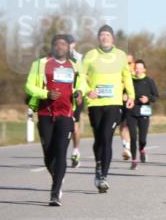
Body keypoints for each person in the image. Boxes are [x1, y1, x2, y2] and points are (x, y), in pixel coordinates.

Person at [25, 34, 86, 205]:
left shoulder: (75, 65)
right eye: (57, 44)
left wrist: (79, 92)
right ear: (52, 46)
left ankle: (55, 190)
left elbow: (82, 84)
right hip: (45, 113)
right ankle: (58, 176)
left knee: (61, 153)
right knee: (48, 155)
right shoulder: (39, 64)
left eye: (64, 44)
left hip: (66, 115)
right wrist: (46, 94)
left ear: (68, 48)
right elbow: (29, 86)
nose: (60, 47)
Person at [82, 25, 135, 193]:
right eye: (101, 35)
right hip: (95, 103)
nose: (104, 38)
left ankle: (103, 176)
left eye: (107, 35)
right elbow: (81, 76)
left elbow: (127, 76)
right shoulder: (90, 55)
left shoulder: (120, 56)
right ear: (98, 38)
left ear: (112, 38)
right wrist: (87, 91)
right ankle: (98, 167)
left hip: (114, 103)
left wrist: (131, 95)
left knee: (107, 137)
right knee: (99, 139)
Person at [126, 59, 158, 169]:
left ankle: (142, 149)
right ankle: (134, 160)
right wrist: (125, 97)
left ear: (144, 69)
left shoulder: (149, 81)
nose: (138, 70)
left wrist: (148, 98)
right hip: (131, 111)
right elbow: (123, 93)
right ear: (134, 69)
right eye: (136, 68)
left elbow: (156, 96)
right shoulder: (129, 80)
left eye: (140, 68)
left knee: (142, 139)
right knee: (133, 137)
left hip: (144, 111)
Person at [66, 35, 84, 168]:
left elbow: (84, 77)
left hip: (75, 95)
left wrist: (80, 92)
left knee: (74, 125)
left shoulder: (80, 58)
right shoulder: (56, 57)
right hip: (60, 95)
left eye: (70, 44)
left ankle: (75, 150)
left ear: (74, 44)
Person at [119, 53, 136, 161]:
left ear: (133, 63)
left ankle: (133, 147)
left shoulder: (136, 73)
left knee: (130, 126)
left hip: (133, 102)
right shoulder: (120, 72)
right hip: (121, 101)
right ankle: (127, 147)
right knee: (122, 124)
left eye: (129, 63)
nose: (127, 65)